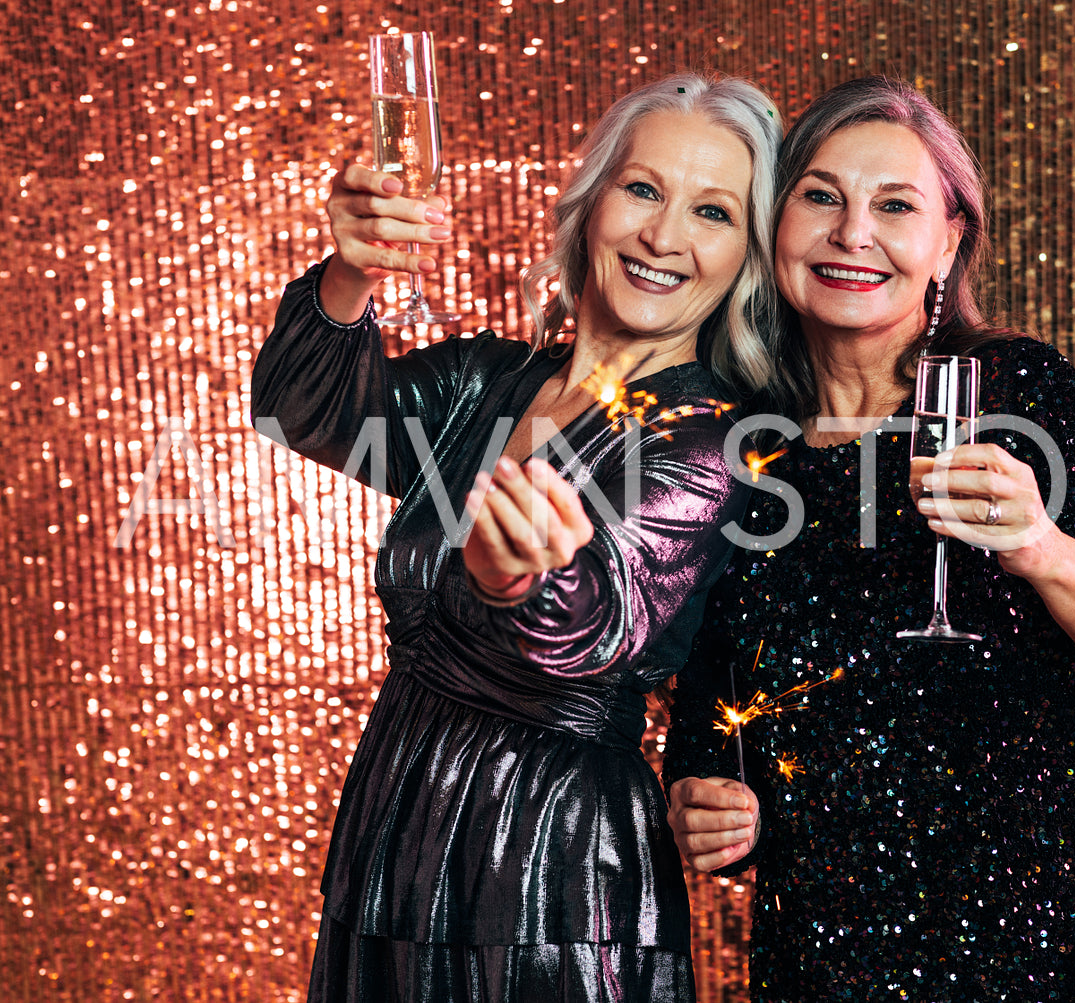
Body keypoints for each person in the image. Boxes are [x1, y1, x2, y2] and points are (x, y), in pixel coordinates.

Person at [663, 75, 1075, 1001]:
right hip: (832, 951)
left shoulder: (1024, 395)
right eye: (820, 198)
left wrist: (1041, 545)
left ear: (947, 238)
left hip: (1055, 944)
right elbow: (709, 710)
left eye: (894, 205)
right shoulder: (734, 444)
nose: (852, 234)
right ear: (775, 225)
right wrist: (705, 799)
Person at [251, 71, 782, 1003]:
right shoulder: (483, 383)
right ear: (591, 203)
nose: (664, 237)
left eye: (713, 213)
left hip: (548, 862)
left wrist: (511, 582)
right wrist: (352, 272)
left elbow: (596, 620)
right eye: (644, 190)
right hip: (397, 824)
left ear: (746, 256)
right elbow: (305, 411)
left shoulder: (707, 439)